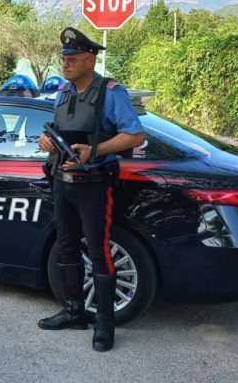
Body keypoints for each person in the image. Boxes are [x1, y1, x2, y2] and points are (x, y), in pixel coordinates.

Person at [37, 27, 145, 352]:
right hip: (62, 182)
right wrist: (46, 143)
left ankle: (105, 325)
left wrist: (94, 150)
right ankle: (74, 312)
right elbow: (60, 132)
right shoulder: (63, 92)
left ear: (90, 59)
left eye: (71, 58)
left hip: (94, 185)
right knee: (67, 248)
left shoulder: (111, 92)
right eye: (63, 58)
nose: (65, 64)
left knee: (99, 253)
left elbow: (135, 136)